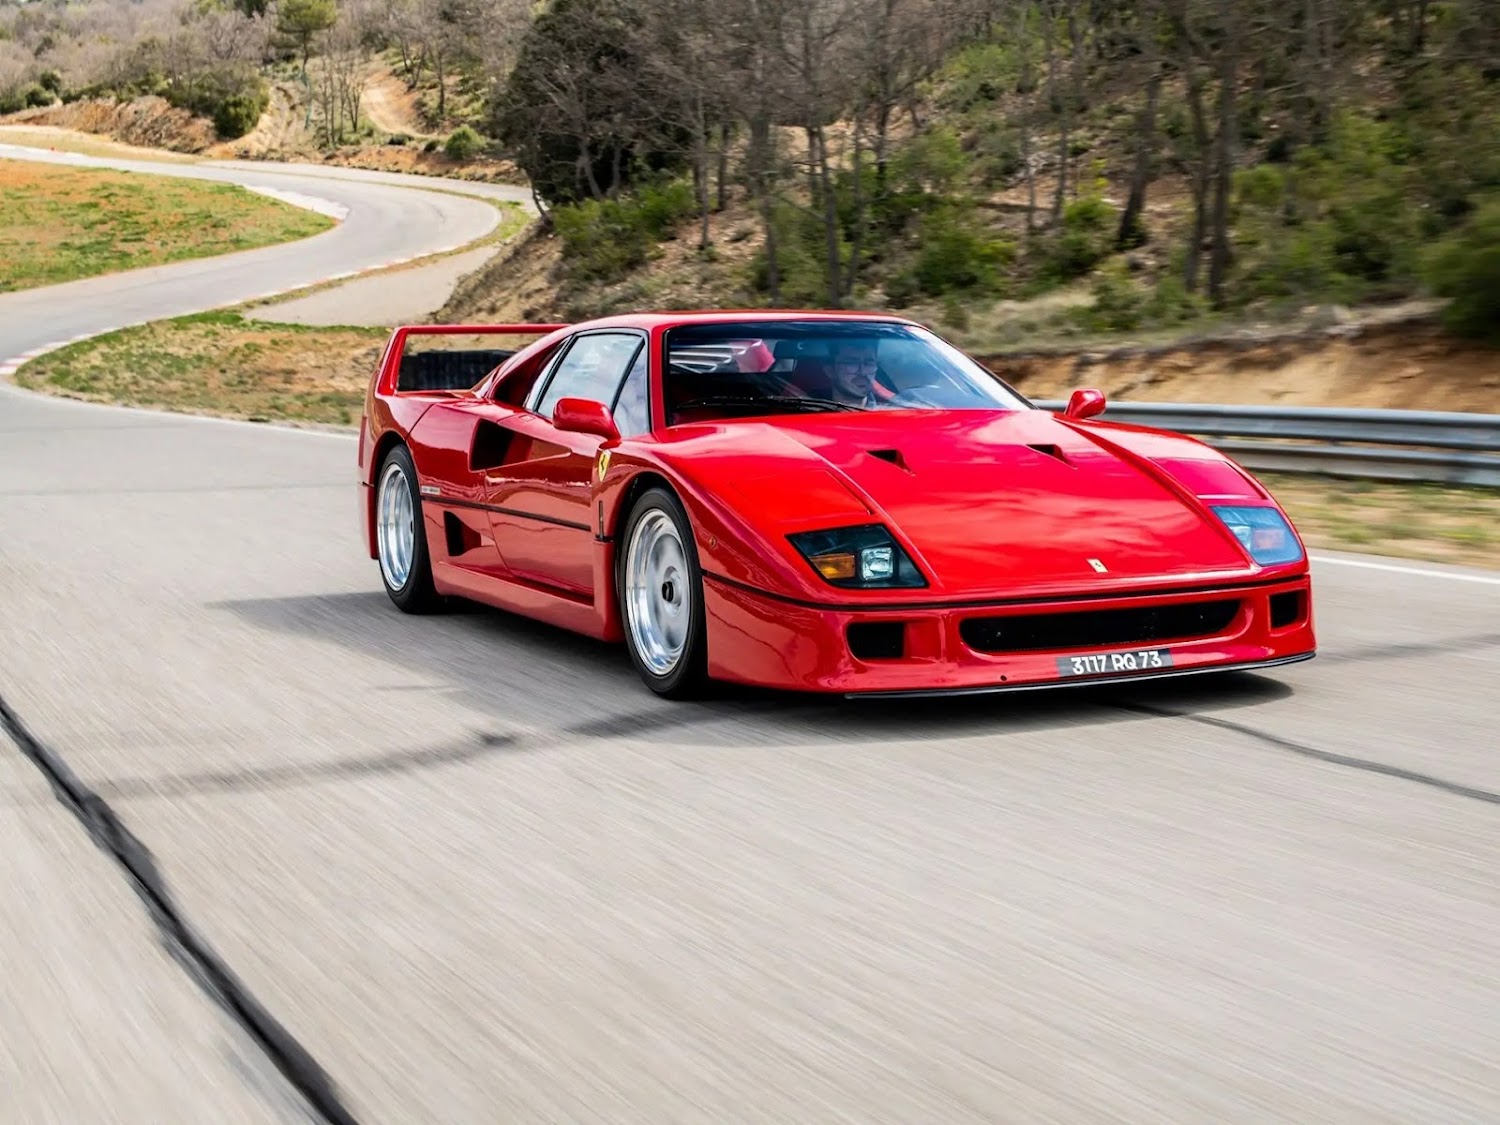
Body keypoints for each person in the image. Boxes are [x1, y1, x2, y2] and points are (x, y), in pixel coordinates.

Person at [826, 340, 882, 408]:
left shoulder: (891, 410)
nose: (863, 372)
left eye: (868, 363)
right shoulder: (811, 411)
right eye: (851, 363)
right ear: (830, 371)